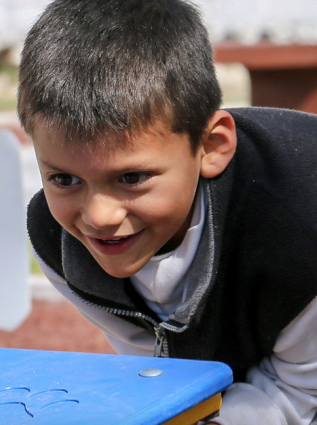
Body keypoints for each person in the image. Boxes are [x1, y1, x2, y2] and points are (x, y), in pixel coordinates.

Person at [19, 0, 317, 424]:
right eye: (64, 179)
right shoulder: (56, 240)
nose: (99, 216)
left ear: (211, 148)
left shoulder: (300, 225)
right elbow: (166, 375)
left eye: (132, 177)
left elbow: (301, 393)